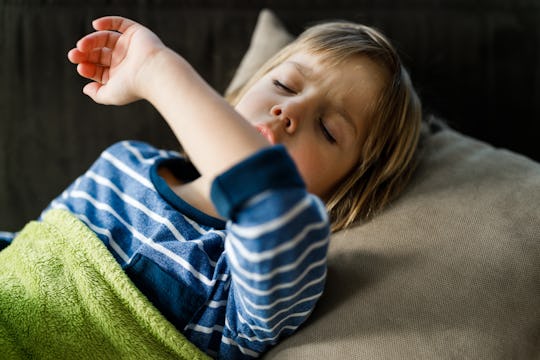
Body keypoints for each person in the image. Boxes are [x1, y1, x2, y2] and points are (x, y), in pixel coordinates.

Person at [0, 15, 421, 359]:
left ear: (344, 190)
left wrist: (157, 69)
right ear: (238, 92)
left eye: (328, 130)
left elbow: (273, 204)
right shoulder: (125, 160)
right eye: (285, 85)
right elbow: (29, 253)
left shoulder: (265, 267)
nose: (289, 109)